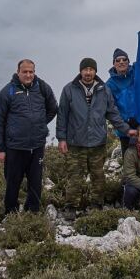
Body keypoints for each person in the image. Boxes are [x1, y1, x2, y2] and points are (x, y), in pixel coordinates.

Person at [56, 57, 133, 208]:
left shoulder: (104, 89)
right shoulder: (69, 89)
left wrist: (126, 129)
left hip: (97, 142)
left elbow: (113, 113)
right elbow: (62, 115)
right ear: (80, 71)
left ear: (95, 71)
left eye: (91, 69)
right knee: (75, 177)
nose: (88, 73)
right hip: (75, 143)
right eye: (85, 69)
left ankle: (97, 205)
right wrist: (61, 139)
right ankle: (70, 207)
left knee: (98, 177)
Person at [0, 59, 58, 215]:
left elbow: (53, 108)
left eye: (31, 72)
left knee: (35, 182)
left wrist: (40, 124)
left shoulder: (42, 88)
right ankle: (11, 212)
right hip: (15, 146)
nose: (28, 75)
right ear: (18, 72)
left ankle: (33, 211)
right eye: (25, 72)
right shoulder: (7, 91)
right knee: (13, 182)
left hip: (37, 146)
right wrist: (0, 148)